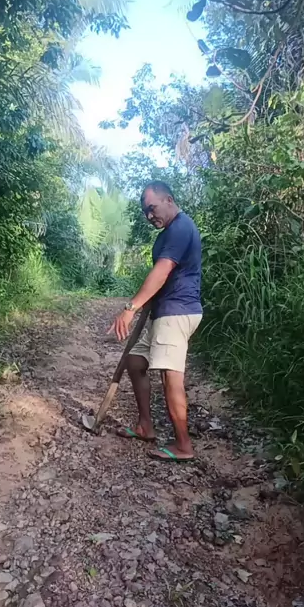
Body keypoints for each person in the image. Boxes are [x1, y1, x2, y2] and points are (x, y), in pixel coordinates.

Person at [108, 181, 202, 462]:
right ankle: (145, 426)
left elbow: (162, 271)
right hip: (164, 311)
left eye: (152, 208)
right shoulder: (167, 234)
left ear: (169, 200)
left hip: (177, 312)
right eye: (145, 212)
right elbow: (162, 279)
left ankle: (183, 445)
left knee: (170, 376)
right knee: (135, 361)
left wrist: (130, 308)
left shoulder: (181, 228)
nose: (149, 216)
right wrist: (147, 307)